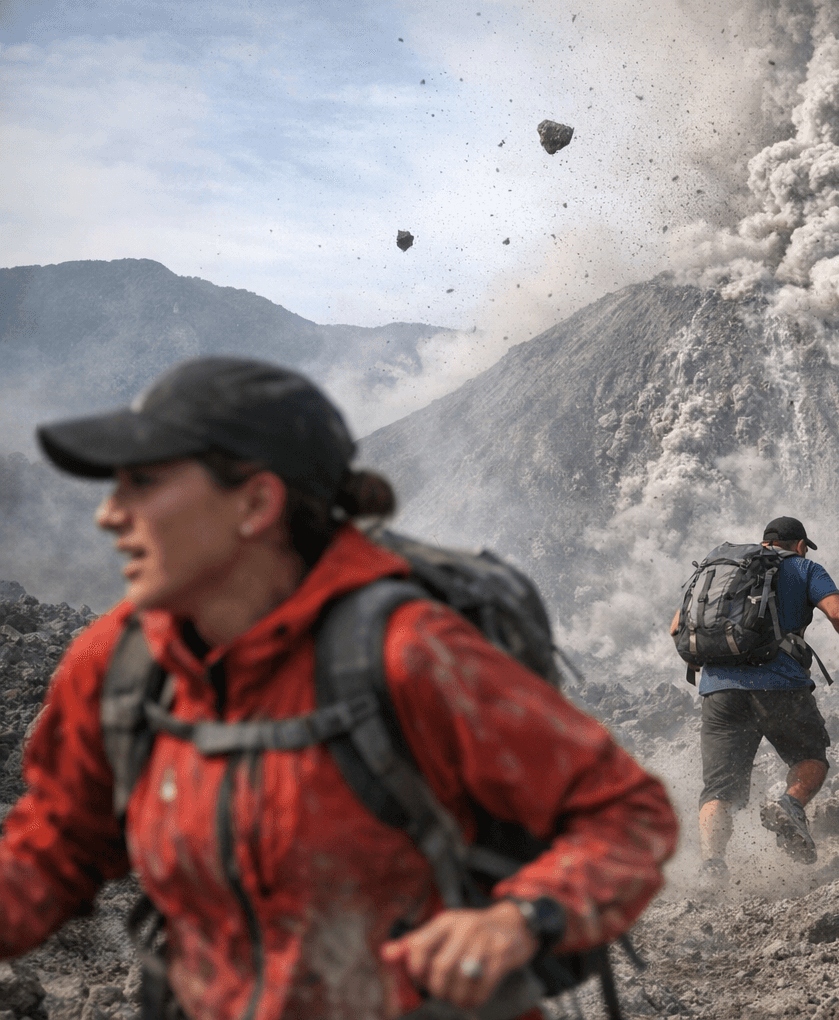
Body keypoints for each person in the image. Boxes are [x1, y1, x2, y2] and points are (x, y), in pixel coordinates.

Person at [1, 357, 678, 1020]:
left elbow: (626, 814)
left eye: (143, 484)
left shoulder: (409, 654)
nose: (109, 515)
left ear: (257, 503)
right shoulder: (120, 664)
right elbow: (61, 839)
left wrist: (520, 920)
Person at [671, 517, 839, 881]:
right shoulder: (803, 567)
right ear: (799, 545)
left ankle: (712, 867)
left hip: (719, 692)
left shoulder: (723, 571)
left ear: (764, 543)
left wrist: (706, 663)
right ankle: (790, 804)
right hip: (781, 687)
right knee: (810, 758)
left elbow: (676, 628)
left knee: (718, 790)